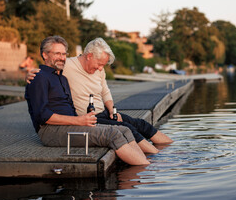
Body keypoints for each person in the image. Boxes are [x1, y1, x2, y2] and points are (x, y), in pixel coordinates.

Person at [27, 38, 173, 154]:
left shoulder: (99, 70)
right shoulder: (67, 65)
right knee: (127, 128)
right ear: (89, 56)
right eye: (99, 64)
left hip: (103, 112)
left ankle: (171, 150)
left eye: (103, 65)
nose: (101, 68)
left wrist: (112, 110)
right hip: (87, 117)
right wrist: (30, 75)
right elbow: (48, 70)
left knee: (140, 123)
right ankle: (156, 157)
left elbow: (105, 91)